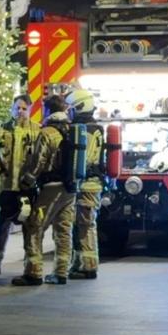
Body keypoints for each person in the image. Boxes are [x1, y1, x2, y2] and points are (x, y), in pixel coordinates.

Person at [12, 94, 77, 287]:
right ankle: (61, 272)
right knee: (63, 229)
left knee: (34, 226)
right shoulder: (71, 130)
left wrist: (26, 182)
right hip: (70, 188)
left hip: (51, 188)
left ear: (48, 110)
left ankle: (33, 272)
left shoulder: (47, 132)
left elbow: (38, 161)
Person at [0, 94, 40, 276]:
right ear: (11, 108)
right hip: (6, 188)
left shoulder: (37, 131)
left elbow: (44, 158)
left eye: (24, 108)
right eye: (17, 108)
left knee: (30, 227)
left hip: (27, 188)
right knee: (0, 225)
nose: (20, 111)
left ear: (30, 110)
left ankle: (31, 267)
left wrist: (32, 178)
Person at [67, 88, 104, 279]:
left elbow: (87, 159)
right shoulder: (92, 127)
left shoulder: (88, 130)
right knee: (81, 224)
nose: (69, 113)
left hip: (87, 185)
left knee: (86, 225)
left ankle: (88, 266)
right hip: (89, 184)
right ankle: (80, 263)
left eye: (71, 109)